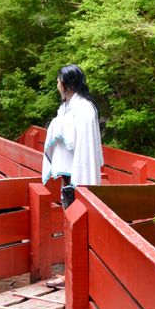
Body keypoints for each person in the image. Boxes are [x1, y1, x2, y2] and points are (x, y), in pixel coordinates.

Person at [42, 64, 103, 210]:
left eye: (58, 81)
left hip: (79, 166)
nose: (57, 85)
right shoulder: (64, 107)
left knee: (77, 206)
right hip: (66, 167)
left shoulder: (85, 108)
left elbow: (83, 142)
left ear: (66, 84)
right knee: (68, 204)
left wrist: (58, 127)